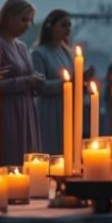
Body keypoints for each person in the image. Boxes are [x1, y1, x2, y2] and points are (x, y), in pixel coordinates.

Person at [0, 0, 43, 166]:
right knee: (12, 155)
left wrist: (36, 81)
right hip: (7, 110)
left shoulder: (22, 46)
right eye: (23, 19)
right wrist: (27, 81)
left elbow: (28, 77)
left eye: (30, 21)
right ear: (9, 17)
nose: (27, 25)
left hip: (26, 108)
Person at [31, 9, 74, 155]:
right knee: (51, 149)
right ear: (51, 26)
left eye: (69, 26)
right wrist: (67, 84)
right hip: (49, 109)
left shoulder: (66, 52)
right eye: (63, 25)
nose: (68, 30)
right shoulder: (39, 53)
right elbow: (40, 85)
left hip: (66, 107)